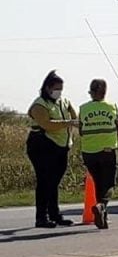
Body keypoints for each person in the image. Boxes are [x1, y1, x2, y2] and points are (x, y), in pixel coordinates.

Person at [26, 70, 79, 228]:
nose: (59, 92)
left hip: (61, 146)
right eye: (56, 88)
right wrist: (68, 122)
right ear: (48, 88)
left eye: (61, 89)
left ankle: (55, 214)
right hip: (42, 145)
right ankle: (41, 217)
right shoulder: (39, 104)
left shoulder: (63, 102)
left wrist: (72, 119)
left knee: (54, 181)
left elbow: (73, 115)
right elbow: (47, 124)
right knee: (44, 181)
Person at [79, 79, 118, 229]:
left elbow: (80, 130)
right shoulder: (112, 107)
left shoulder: (83, 108)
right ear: (104, 92)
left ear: (91, 92)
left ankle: (103, 217)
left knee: (97, 183)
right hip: (108, 150)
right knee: (109, 183)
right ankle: (101, 206)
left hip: (89, 151)